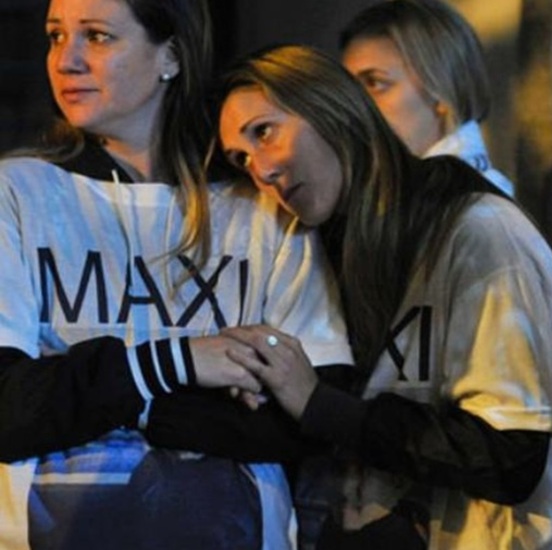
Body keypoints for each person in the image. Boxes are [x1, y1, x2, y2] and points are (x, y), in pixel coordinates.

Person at [0, 0, 351, 548]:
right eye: (54, 36)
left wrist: (96, 394)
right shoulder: (18, 191)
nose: (65, 61)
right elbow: (9, 409)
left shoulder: (259, 197)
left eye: (96, 37)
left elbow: (311, 415)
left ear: (171, 53)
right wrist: (181, 362)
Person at [214, 44, 552, 549]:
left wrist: (319, 404)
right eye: (241, 158)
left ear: (331, 107)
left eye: (265, 132)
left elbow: (509, 456)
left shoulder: (478, 232)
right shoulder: (325, 242)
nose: (261, 170)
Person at [339, 0, 514, 196]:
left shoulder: (472, 205)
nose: (352, 103)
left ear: (441, 90)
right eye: (348, 87)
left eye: (375, 83)